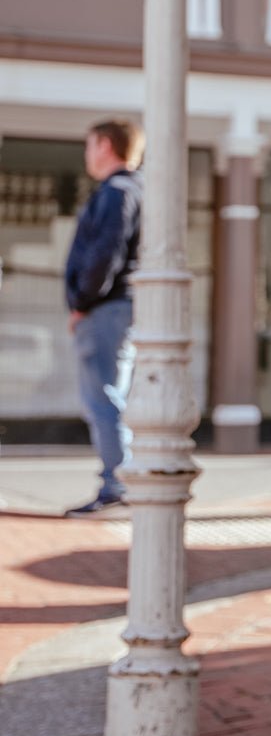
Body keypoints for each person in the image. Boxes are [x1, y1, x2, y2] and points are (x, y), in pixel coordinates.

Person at [63, 119, 144, 516]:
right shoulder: (133, 189)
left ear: (106, 146)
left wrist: (82, 302)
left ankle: (118, 484)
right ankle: (120, 481)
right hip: (115, 307)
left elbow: (104, 255)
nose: (87, 154)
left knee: (103, 398)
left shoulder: (117, 192)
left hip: (105, 309)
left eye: (89, 145)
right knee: (110, 396)